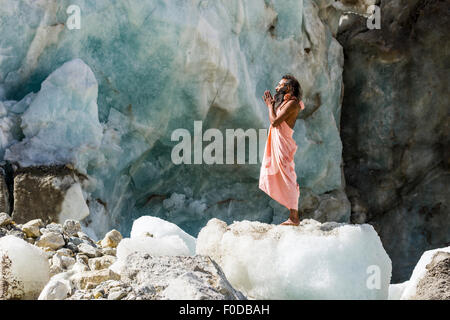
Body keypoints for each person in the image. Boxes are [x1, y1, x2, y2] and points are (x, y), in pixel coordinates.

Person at [259, 74, 305, 226]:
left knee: (288, 176)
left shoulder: (293, 103)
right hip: (280, 141)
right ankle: (292, 215)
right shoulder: (286, 102)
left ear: (289, 88)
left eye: (281, 85)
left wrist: (269, 106)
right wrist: (273, 105)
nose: (277, 87)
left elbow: (275, 121)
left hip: (284, 143)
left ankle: (294, 217)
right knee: (286, 175)